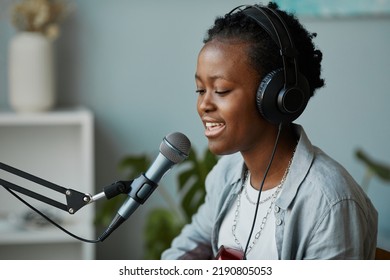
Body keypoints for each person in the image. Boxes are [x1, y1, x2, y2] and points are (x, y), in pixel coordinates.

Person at [161, 2, 378, 260]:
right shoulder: (226, 174)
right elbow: (181, 255)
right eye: (200, 90)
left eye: (221, 91)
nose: (204, 105)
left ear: (276, 97)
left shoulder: (330, 203)